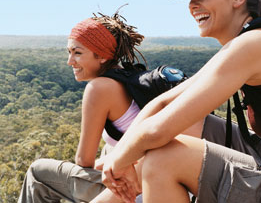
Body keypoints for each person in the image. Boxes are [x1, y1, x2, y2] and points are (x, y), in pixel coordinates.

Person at [97, 0, 261, 203]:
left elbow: (156, 130)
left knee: (164, 160)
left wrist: (118, 160)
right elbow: (163, 104)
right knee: (186, 124)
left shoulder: (255, 44)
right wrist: (124, 154)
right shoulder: (258, 37)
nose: (193, 4)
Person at [18, 11, 204, 203]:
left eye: (77, 53)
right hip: (174, 184)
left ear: (102, 57)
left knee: (38, 173)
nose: (70, 61)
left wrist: (113, 163)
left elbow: (84, 161)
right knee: (109, 148)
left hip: (134, 190)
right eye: (69, 52)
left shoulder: (98, 88)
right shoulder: (132, 81)